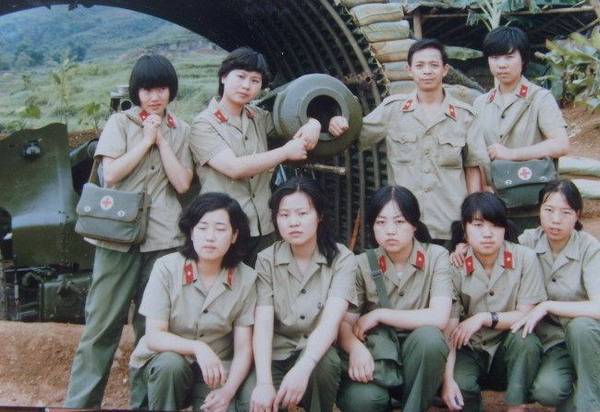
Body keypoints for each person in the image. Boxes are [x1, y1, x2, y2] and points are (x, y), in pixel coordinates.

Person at [65, 54, 194, 408]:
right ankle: (80, 405)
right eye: (147, 89)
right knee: (101, 327)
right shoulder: (120, 123)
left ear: (171, 91)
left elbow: (183, 183)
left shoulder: (181, 130)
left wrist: (162, 141)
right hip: (117, 237)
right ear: (137, 91)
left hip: (164, 241)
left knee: (151, 331)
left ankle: (144, 405)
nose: (154, 96)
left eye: (161, 89)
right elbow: (112, 174)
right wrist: (145, 140)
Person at [328, 38, 487, 246]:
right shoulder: (392, 110)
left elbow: (473, 168)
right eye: (420, 65)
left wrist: (473, 220)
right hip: (404, 223)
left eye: (434, 65)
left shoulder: (465, 116)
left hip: (451, 223)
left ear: (445, 70)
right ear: (409, 71)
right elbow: (355, 135)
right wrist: (336, 121)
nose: (427, 71)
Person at [189, 47, 321, 266]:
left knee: (265, 282)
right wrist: (285, 152)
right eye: (240, 77)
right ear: (223, 77)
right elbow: (234, 168)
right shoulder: (203, 124)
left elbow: (293, 121)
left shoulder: (257, 117)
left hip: (263, 226)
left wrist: (314, 124)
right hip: (224, 228)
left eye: (255, 80)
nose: (246, 86)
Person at [236, 176, 357, 412]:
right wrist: (264, 382)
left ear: (319, 215)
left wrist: (304, 367)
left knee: (325, 364)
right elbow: (263, 324)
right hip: (276, 354)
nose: (293, 222)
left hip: (317, 353)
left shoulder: (342, 259)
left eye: (302, 213)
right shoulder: (266, 260)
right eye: (284, 215)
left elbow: (330, 323)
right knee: (252, 399)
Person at [129, 192, 256, 411]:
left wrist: (227, 392)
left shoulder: (247, 278)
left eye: (220, 229)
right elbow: (154, 336)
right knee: (170, 365)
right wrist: (198, 348)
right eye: (202, 228)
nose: (210, 237)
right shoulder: (166, 268)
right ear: (191, 231)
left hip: (216, 371)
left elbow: (244, 347)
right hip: (165, 366)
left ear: (234, 235)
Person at [336, 185, 453, 412]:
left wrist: (380, 314)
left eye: (399, 222)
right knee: (362, 401)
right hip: (378, 359)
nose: (390, 230)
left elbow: (439, 317)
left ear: (414, 224)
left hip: (420, 360)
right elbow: (344, 323)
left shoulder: (436, 256)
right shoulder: (361, 264)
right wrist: (355, 348)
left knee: (430, 338)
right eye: (381, 222)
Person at [442, 192, 546, 412]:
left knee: (526, 341)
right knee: (461, 388)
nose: (488, 233)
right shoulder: (453, 266)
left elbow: (526, 315)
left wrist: (483, 318)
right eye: (478, 225)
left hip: (506, 349)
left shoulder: (524, 258)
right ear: (465, 229)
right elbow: (449, 329)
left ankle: (516, 406)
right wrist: (448, 381)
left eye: (495, 225)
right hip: (469, 348)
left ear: (505, 227)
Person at [511, 179, 600, 411]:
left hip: (589, 339)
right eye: (548, 210)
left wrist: (548, 305)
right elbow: (494, 251)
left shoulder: (589, 247)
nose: (556, 219)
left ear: (577, 214)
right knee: (546, 390)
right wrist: (462, 247)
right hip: (555, 343)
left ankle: (591, 405)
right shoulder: (527, 241)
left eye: (565, 212)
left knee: (581, 326)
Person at [474, 26, 569, 233]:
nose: (501, 64)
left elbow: (561, 144)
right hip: (495, 206)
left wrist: (511, 154)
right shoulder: (481, 103)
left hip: (533, 203)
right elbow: (475, 153)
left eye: (509, 57)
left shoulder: (540, 98)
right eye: (495, 58)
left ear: (523, 59)